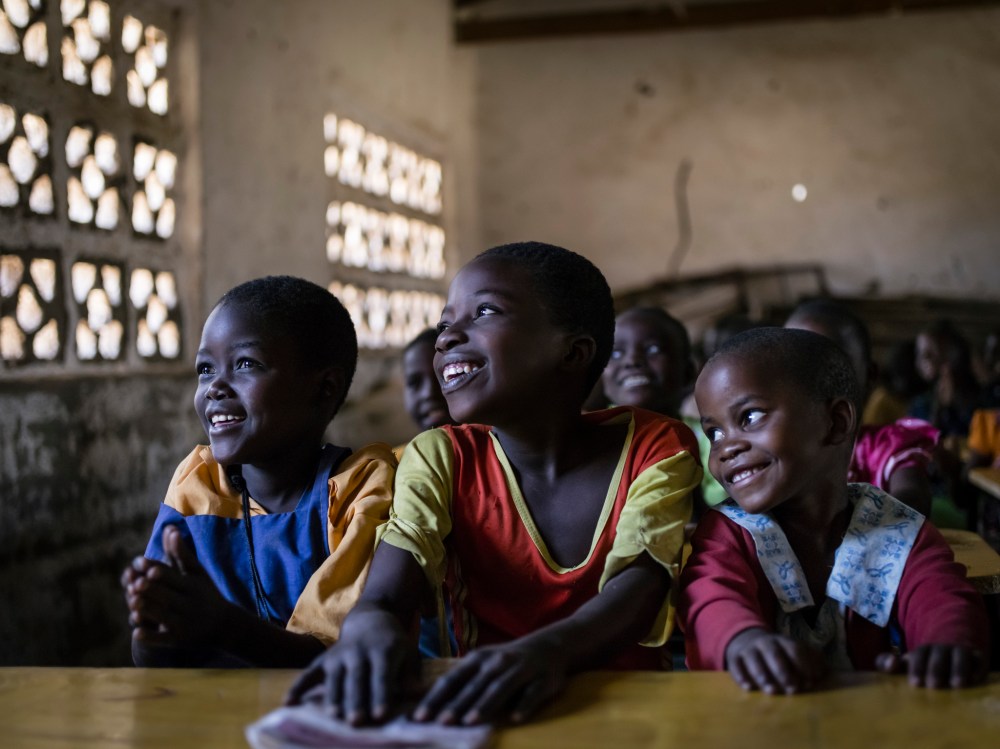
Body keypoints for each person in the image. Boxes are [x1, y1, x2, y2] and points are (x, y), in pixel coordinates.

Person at [287, 241, 702, 725]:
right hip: (481, 712)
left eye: (484, 311)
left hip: (627, 715)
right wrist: (371, 629)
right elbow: (388, 591)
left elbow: (639, 588)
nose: (446, 338)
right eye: (445, 323)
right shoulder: (441, 455)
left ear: (572, 352)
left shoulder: (655, 445)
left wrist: (544, 654)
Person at [679, 327, 989, 694]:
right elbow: (710, 597)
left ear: (837, 422)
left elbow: (939, 594)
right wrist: (743, 642)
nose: (726, 447)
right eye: (714, 433)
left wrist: (946, 646)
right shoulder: (725, 531)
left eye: (750, 417)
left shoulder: (893, 526)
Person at [121, 276, 396, 667]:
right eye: (205, 369)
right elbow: (153, 658)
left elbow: (337, 659)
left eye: (246, 364)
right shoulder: (198, 482)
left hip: (320, 716)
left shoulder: (359, 490)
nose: (215, 386)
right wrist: (156, 621)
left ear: (325, 389)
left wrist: (222, 626)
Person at [785, 299, 937, 517]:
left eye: (832, 366)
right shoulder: (774, 448)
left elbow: (913, 499)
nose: (812, 381)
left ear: (870, 375)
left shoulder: (887, 448)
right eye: (794, 367)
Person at [602, 306, 725, 510]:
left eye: (653, 350)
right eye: (615, 353)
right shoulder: (588, 438)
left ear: (687, 371)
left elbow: (724, 504)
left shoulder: (710, 438)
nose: (632, 361)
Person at [402, 328, 455, 434]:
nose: (428, 393)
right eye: (414, 382)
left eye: (446, 376)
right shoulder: (400, 451)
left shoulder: (495, 448)